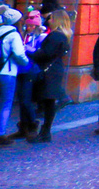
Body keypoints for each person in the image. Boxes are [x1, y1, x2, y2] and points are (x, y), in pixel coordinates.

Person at [0, 6, 29, 148]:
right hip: (8, 73)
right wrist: (26, 63)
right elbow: (19, 54)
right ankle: (0, 135)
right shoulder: (14, 35)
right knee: (5, 105)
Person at [29, 9, 71, 144]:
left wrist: (32, 52)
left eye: (51, 18)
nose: (48, 20)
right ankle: (45, 131)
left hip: (50, 71)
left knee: (49, 102)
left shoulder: (55, 36)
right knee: (49, 101)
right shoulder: (63, 35)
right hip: (54, 69)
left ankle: (45, 132)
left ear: (57, 20)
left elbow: (46, 53)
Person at [11, 9, 43, 140]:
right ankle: (23, 126)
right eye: (27, 25)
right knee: (22, 100)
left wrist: (29, 50)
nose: (28, 28)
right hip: (20, 70)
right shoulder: (22, 35)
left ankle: (32, 125)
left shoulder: (40, 37)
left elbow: (40, 53)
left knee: (26, 100)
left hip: (30, 70)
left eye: (31, 26)